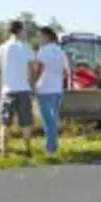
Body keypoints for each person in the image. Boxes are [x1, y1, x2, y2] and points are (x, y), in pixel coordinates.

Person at [0, 20, 37, 157]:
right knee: (26, 121)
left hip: (7, 90)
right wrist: (32, 85)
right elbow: (33, 68)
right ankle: (28, 149)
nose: (25, 32)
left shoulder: (2, 48)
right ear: (20, 30)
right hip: (23, 88)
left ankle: (4, 150)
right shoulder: (26, 48)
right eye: (24, 29)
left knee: (5, 121)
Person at [34, 26, 70, 156]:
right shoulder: (61, 52)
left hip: (44, 89)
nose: (38, 39)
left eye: (40, 36)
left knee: (48, 121)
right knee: (53, 120)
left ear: (46, 37)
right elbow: (66, 72)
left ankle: (51, 148)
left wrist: (33, 84)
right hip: (57, 90)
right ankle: (52, 145)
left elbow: (39, 69)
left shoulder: (42, 51)